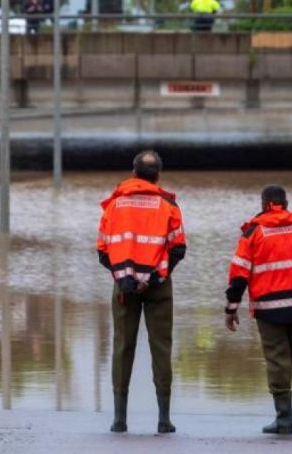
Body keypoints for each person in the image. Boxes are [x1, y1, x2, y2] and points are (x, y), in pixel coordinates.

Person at [224, 185, 292, 435]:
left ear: (264, 205)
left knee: (277, 361)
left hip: (269, 309)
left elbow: (238, 275)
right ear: (286, 203)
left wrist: (231, 308)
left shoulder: (253, 233)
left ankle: (284, 421)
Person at [96, 151, 187, 434]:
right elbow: (178, 248)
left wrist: (124, 278)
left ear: (134, 173)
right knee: (161, 347)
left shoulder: (115, 204)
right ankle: (164, 419)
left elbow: (103, 250)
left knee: (122, 346)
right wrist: (156, 277)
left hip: (124, 287)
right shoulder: (168, 205)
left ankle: (119, 419)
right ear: (158, 175)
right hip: (159, 286)